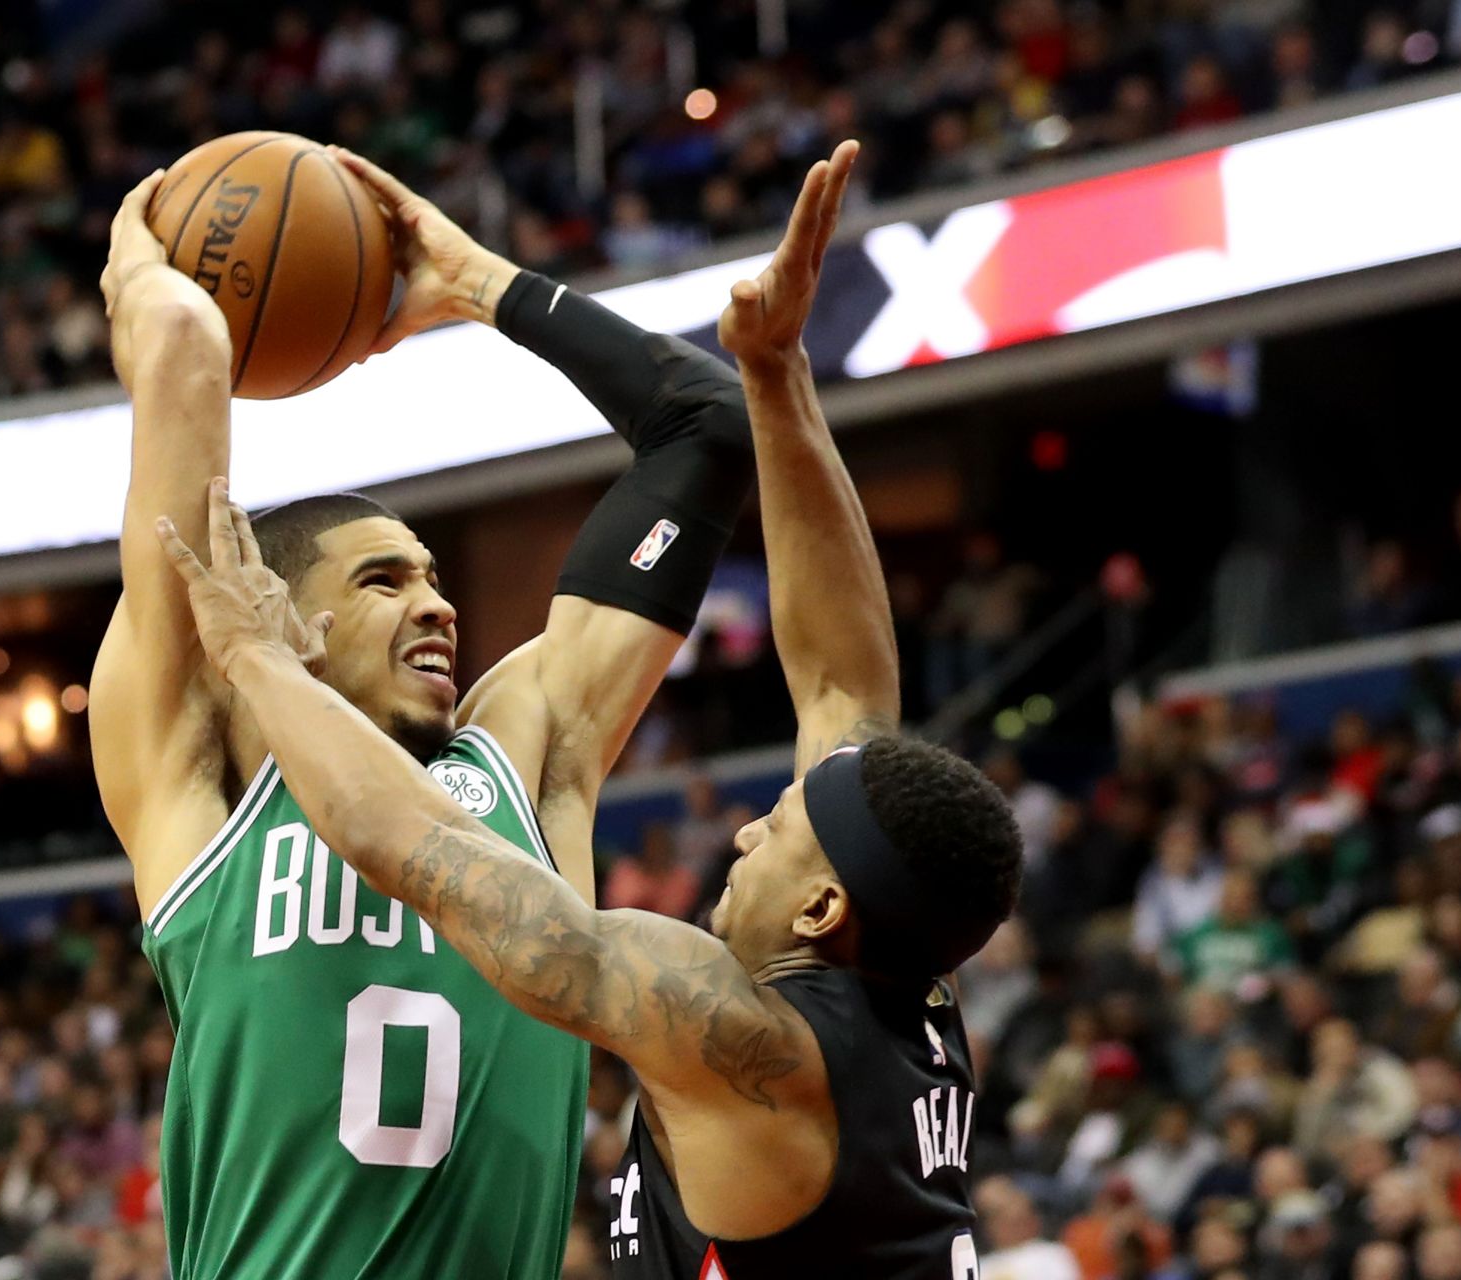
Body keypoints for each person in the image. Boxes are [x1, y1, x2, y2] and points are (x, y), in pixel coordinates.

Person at [161, 141, 1026, 1278]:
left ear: (821, 907)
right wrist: (774, 377)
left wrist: (256, 655)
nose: (753, 827)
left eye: (782, 832)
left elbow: (415, 845)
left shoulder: (749, 1042)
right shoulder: (893, 965)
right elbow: (843, 685)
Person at [91, 139, 756, 1277]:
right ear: (282, 618)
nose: (437, 602)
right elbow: (190, 344)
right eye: (383, 580)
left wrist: (480, 283)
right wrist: (134, 269)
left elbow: (707, 424)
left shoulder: (525, 754)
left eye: (437, 574)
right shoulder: (200, 781)